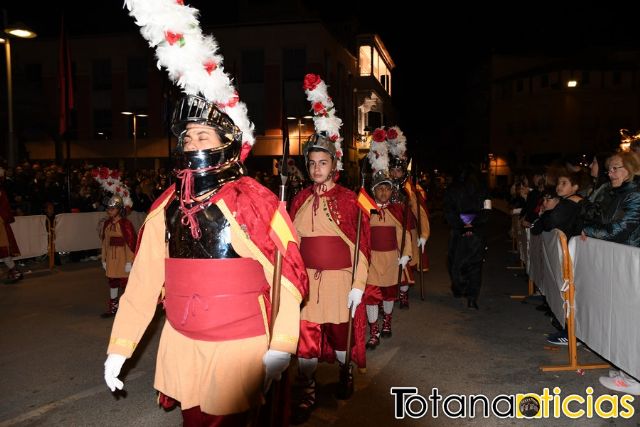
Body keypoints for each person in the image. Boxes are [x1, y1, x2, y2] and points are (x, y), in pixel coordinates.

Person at [104, 4, 308, 425]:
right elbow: (143, 284)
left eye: (203, 134)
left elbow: (287, 275)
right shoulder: (166, 205)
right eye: (188, 135)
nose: (193, 142)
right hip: (182, 341)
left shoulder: (253, 199)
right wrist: (119, 348)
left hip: (240, 344)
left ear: (227, 142)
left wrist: (281, 344)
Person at [289, 73, 370, 424]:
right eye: (312, 163)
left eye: (323, 162)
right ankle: (305, 390)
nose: (316, 168)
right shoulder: (299, 199)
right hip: (308, 282)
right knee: (305, 339)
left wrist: (358, 284)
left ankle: (344, 372)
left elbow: (362, 248)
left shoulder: (349, 201)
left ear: (334, 165)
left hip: (339, 282)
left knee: (340, 336)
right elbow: (290, 242)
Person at [363, 168, 411, 349]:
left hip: (391, 261)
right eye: (380, 189)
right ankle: (373, 331)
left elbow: (403, 234)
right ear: (373, 190)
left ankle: (387, 323)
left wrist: (406, 254)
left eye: (387, 189)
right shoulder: (366, 211)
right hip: (372, 262)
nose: (383, 193)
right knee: (371, 296)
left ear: (392, 191)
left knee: (389, 296)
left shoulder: (396, 211)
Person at [387, 127, 430, 308]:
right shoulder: (385, 187)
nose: (396, 173)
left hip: (407, 230)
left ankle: (403, 294)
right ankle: (389, 293)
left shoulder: (410, 189)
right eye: (393, 170)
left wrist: (423, 234)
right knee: (389, 263)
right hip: (389, 231)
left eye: (399, 170)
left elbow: (420, 212)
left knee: (405, 264)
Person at [444, 164, 490, 309]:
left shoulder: (452, 189)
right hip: (476, 233)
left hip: (458, 232)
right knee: (475, 265)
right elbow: (487, 211)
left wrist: (462, 225)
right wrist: (474, 225)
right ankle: (472, 297)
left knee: (455, 262)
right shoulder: (483, 190)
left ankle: (460, 288)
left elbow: (448, 211)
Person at [98, 194, 136, 318]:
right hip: (111, 260)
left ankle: (130, 308)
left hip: (123, 259)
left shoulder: (125, 224)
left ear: (119, 210)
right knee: (112, 283)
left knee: (126, 284)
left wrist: (129, 262)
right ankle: (113, 308)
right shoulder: (107, 224)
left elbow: (129, 244)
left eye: (112, 209)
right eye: (108, 209)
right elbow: (105, 243)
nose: (109, 211)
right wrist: (103, 259)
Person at [0, 182, 22, 284]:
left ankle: (15, 271)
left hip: (0, 225)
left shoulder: (1, 192)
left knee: (4, 250)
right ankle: (14, 271)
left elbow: (5, 209)